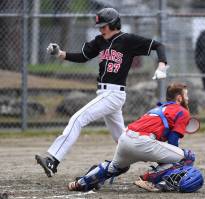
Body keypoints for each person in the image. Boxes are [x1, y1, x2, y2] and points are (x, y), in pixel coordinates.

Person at [35, 7, 169, 177]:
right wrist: (59, 53)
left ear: (113, 24)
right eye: (99, 26)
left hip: (114, 94)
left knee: (77, 119)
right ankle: (161, 161)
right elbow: (82, 56)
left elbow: (158, 45)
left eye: (104, 26)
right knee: (125, 140)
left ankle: (52, 160)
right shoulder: (100, 41)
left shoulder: (127, 40)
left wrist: (162, 64)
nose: (100, 29)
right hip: (104, 94)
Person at [67, 82, 203, 192]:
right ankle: (150, 180)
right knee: (188, 157)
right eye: (186, 95)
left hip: (125, 137)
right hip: (143, 142)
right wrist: (167, 164)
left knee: (115, 167)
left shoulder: (159, 108)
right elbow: (173, 141)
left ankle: (79, 183)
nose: (188, 98)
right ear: (179, 98)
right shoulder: (182, 111)